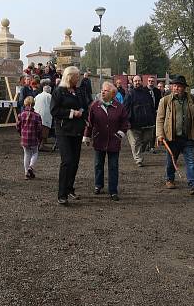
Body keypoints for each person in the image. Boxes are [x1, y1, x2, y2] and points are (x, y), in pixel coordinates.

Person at [155, 75, 194, 195]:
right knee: (171, 161)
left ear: (184, 88)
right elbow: (160, 119)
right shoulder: (165, 100)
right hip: (172, 137)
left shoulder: (193, 99)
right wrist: (160, 135)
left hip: (188, 137)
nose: (176, 88)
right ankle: (170, 179)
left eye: (179, 86)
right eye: (175, 86)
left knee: (191, 161)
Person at [84, 81, 131, 200]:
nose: (102, 92)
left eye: (106, 90)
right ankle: (98, 185)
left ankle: (113, 190)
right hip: (99, 139)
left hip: (114, 141)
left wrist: (119, 134)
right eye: (102, 90)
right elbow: (90, 123)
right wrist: (87, 136)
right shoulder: (95, 106)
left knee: (113, 166)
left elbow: (125, 123)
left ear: (113, 93)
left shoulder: (119, 107)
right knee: (98, 164)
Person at [51, 65, 87, 205]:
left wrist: (83, 112)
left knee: (75, 161)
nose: (78, 78)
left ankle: (69, 188)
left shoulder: (78, 91)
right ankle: (62, 194)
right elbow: (54, 111)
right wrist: (72, 113)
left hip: (77, 130)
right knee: (67, 161)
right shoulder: (59, 92)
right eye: (77, 76)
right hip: (64, 130)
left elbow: (85, 104)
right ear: (70, 77)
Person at [123, 75, 156, 167]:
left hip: (148, 124)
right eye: (135, 81)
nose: (137, 82)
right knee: (136, 142)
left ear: (142, 81)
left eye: (139, 81)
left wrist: (153, 118)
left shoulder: (147, 93)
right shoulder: (129, 94)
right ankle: (138, 159)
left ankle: (139, 152)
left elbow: (151, 107)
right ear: (132, 83)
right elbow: (125, 109)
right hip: (134, 124)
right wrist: (127, 121)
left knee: (147, 139)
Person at [16, 95, 42, 179]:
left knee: (26, 154)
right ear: (33, 104)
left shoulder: (21, 115)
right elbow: (39, 128)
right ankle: (31, 167)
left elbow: (18, 126)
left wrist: (21, 133)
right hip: (34, 138)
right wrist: (39, 137)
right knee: (35, 153)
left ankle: (26, 172)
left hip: (24, 138)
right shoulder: (37, 116)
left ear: (25, 104)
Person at [34, 82, 53, 149]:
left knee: (38, 129)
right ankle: (42, 145)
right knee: (45, 129)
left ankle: (40, 143)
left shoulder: (37, 96)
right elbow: (53, 105)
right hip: (45, 115)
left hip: (36, 114)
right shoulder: (49, 96)